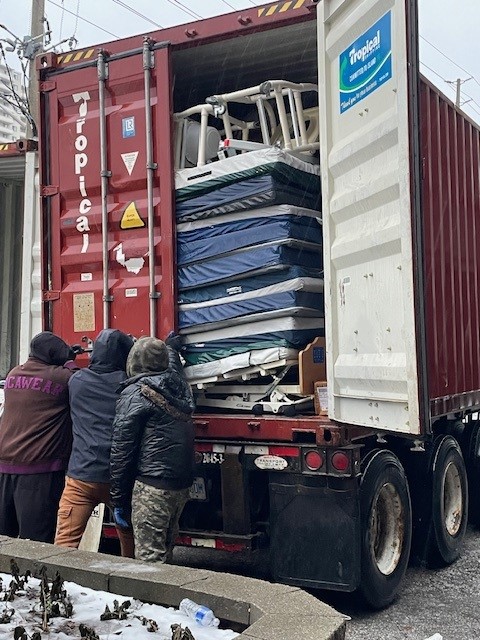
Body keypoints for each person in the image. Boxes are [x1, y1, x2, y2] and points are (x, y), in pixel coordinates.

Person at [110, 335, 195, 563]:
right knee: (165, 554)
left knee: (150, 563)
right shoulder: (178, 386)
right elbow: (172, 369)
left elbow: (122, 450)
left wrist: (118, 501)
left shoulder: (135, 393)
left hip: (152, 487)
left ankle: (156, 600)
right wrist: (171, 350)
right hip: (180, 486)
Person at [55, 329, 135, 557]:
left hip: (81, 476)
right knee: (130, 544)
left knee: (64, 544)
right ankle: (131, 584)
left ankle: (57, 588)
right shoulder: (129, 386)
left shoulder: (77, 382)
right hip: (119, 480)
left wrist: (68, 358)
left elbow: (66, 374)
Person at [0, 331, 76, 542]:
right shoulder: (61, 378)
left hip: (5, 466)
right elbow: (80, 379)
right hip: (39, 470)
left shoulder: (13, 374)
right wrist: (70, 362)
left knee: (5, 539)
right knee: (37, 542)